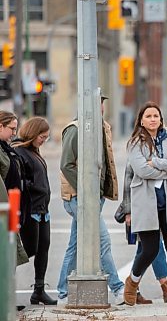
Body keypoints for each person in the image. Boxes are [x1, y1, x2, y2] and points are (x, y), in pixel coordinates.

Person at [57, 95, 124, 304]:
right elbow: (66, 165)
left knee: (74, 245)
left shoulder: (102, 128)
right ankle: (118, 288)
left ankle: (63, 292)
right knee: (102, 241)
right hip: (78, 198)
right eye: (97, 103)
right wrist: (86, 192)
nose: (101, 107)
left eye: (102, 103)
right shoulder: (75, 129)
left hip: (95, 197)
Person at [123, 102, 167, 307]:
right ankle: (132, 282)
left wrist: (157, 162)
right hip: (146, 203)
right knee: (150, 249)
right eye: (149, 116)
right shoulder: (135, 143)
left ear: (161, 119)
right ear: (141, 120)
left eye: (156, 116)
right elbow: (142, 171)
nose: (153, 119)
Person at [11, 117, 56, 305]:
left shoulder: (34, 151)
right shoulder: (19, 152)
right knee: (29, 248)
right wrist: (35, 188)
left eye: (46, 137)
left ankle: (39, 290)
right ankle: (5, 282)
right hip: (31, 208)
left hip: (42, 208)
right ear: (33, 133)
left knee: (43, 248)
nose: (43, 140)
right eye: (41, 137)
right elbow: (20, 180)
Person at [119, 162, 167, 304]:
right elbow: (128, 181)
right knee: (152, 246)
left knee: (145, 249)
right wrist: (128, 210)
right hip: (141, 206)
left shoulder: (160, 146)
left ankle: (132, 286)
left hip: (158, 205)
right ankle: (164, 283)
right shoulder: (136, 148)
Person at [0, 111, 29, 311]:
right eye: (11, 128)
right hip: (3, 209)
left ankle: (7, 298)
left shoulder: (6, 148)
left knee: (8, 256)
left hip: (11, 207)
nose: (14, 133)